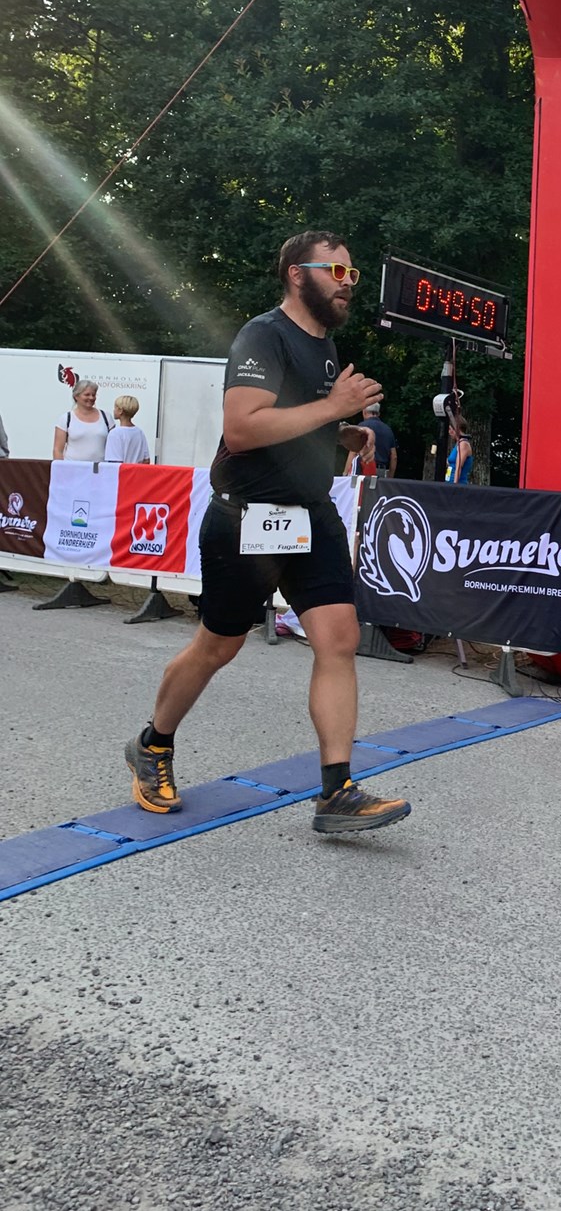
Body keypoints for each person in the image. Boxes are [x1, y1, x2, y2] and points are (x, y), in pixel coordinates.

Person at [124, 229, 411, 836]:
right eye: (336, 271)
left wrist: (341, 433)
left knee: (338, 638)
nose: (347, 283)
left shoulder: (324, 345)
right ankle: (153, 744)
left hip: (311, 513)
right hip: (246, 516)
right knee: (218, 646)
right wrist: (333, 408)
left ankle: (337, 790)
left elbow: (294, 421)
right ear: (296, 274)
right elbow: (243, 428)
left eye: (352, 274)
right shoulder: (263, 335)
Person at [53, 379, 113, 462]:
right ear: (76, 396)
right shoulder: (66, 418)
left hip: (99, 468)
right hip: (72, 467)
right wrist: (61, 468)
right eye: (87, 395)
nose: (91, 398)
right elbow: (58, 450)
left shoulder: (106, 417)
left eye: (93, 395)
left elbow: (114, 447)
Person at [346, 401, 397, 478]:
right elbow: (394, 457)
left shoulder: (361, 427)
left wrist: (346, 473)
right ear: (378, 414)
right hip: (382, 471)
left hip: (364, 470)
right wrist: (390, 477)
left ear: (364, 412)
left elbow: (353, 452)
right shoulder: (388, 430)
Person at [104, 395, 151, 464]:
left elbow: (114, 463)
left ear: (120, 411)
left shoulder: (115, 433)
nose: (114, 410)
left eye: (115, 407)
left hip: (123, 470)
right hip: (136, 470)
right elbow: (146, 460)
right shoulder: (139, 432)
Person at [445, 416, 473, 485]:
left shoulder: (463, 444)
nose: (449, 432)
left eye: (450, 429)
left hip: (458, 483)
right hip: (448, 482)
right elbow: (451, 463)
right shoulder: (458, 444)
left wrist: (455, 486)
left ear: (456, 429)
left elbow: (458, 467)